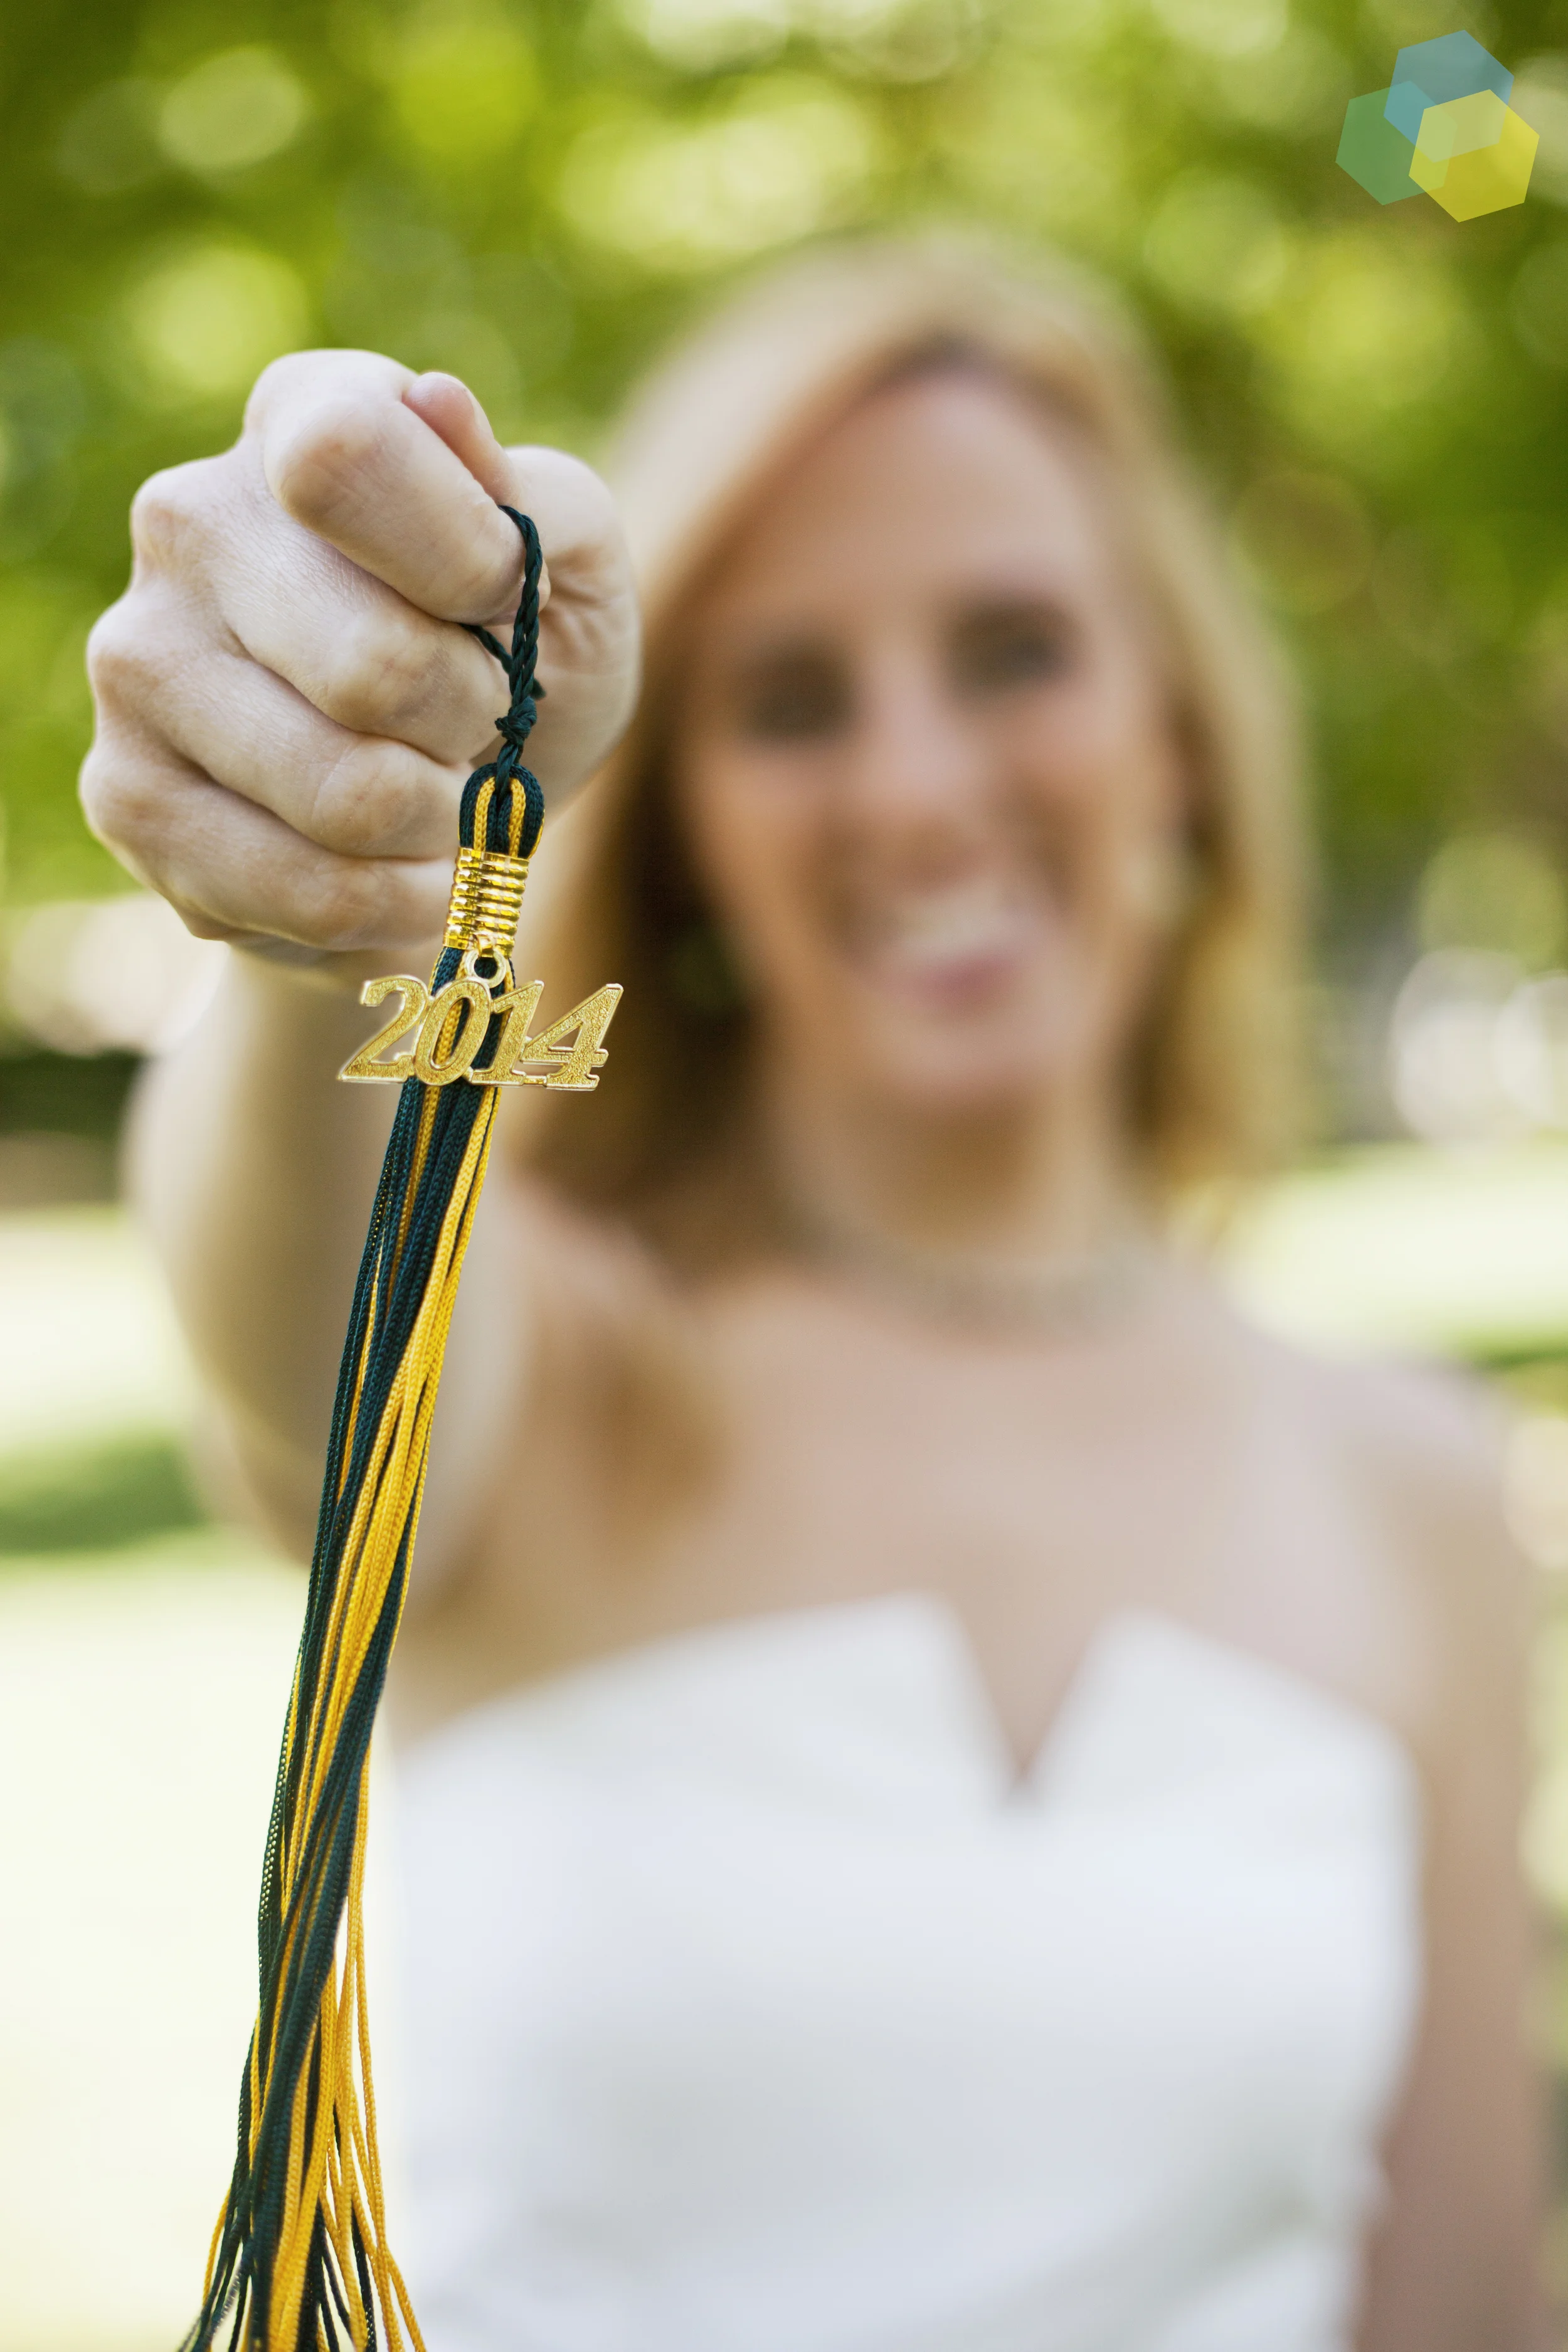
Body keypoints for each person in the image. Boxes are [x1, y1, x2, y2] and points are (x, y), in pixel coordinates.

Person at [83, 238, 1545, 2349]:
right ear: (676, 827)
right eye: (785, 698)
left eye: (1016, 649)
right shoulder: (557, 1363)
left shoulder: (1410, 1483)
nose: (916, 788)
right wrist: (331, 894)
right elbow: (306, 1285)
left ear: (1181, 732)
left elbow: (1459, 2303)